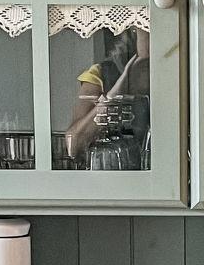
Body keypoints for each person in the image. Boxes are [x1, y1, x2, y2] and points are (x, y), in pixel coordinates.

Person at [63, 28, 149, 166]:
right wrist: (118, 90)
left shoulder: (180, 70)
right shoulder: (102, 73)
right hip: (115, 173)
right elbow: (74, 147)